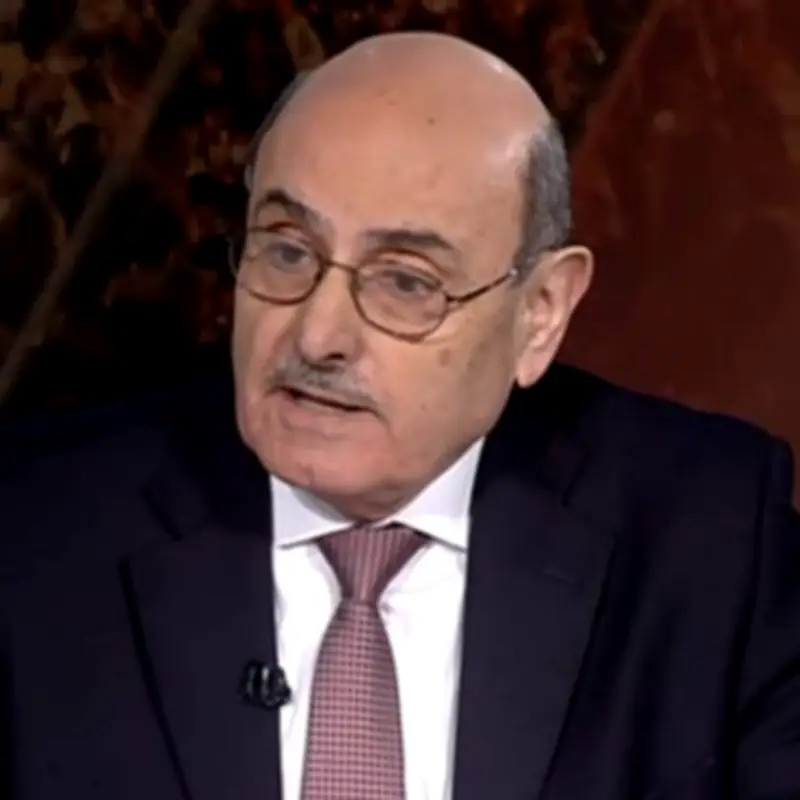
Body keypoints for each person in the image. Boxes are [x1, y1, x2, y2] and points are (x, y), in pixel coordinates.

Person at [2, 32, 800, 800]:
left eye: (406, 283)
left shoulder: (712, 544)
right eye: (287, 251)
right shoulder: (33, 529)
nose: (317, 335)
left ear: (541, 313)